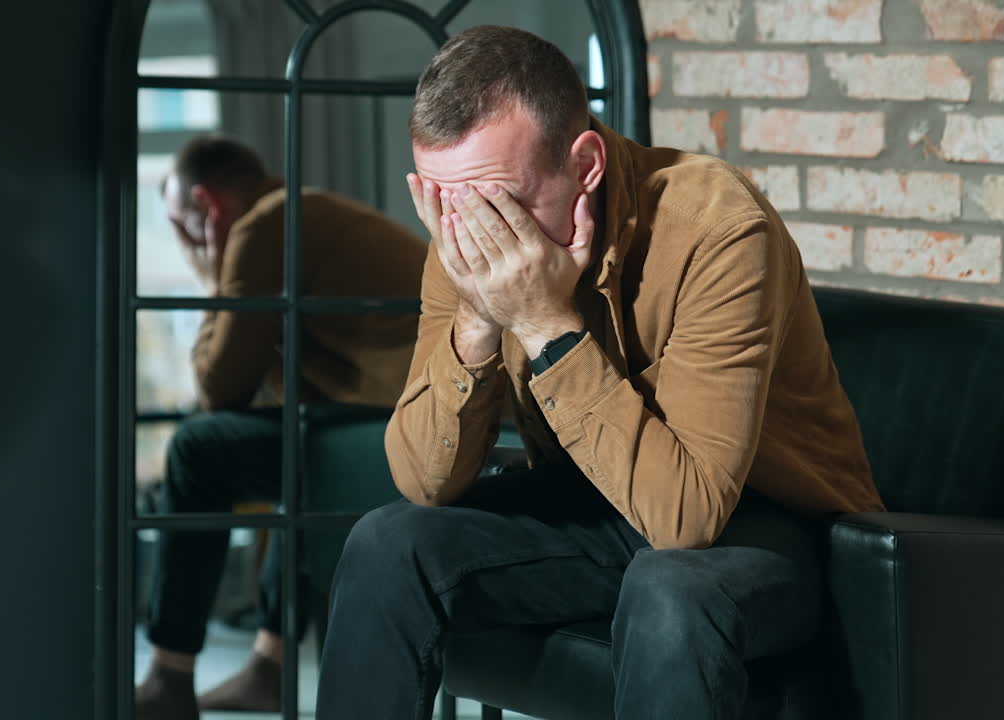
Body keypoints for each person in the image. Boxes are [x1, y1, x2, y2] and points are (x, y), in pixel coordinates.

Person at [315, 25, 885, 720]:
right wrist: (477, 317)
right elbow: (423, 478)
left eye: (502, 206)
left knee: (669, 587)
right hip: (598, 504)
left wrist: (546, 324)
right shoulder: (462, 229)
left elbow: (689, 516)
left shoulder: (717, 224)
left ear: (584, 163)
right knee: (387, 542)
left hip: (770, 524)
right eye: (452, 208)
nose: (479, 236)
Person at [136, 136, 427, 720]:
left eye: (179, 225)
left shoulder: (262, 226)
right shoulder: (301, 208)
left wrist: (212, 276)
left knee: (199, 448)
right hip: (407, 414)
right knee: (296, 445)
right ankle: (270, 665)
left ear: (207, 205)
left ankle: (170, 674)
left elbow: (220, 389)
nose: (183, 242)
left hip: (399, 425)